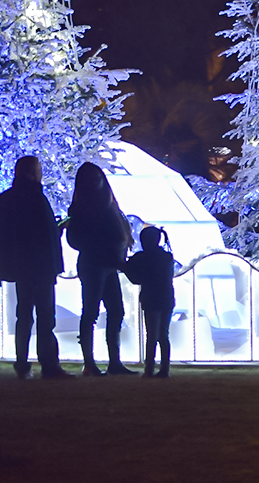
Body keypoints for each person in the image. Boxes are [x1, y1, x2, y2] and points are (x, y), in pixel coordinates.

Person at [0, 156, 71, 379]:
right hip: (41, 268)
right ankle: (49, 364)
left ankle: (22, 363)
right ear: (33, 173)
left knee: (24, 316)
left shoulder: (7, 199)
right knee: (45, 317)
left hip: (22, 268)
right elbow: (43, 235)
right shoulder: (36, 198)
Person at [65, 161, 136, 376]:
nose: (96, 183)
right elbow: (74, 239)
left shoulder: (108, 206)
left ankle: (113, 362)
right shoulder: (82, 209)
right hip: (95, 265)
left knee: (115, 310)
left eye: (98, 178)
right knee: (91, 312)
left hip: (109, 265)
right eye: (91, 180)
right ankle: (90, 363)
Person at [122, 226, 176, 377]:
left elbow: (134, 277)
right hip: (166, 298)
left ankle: (149, 369)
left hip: (151, 298)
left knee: (151, 335)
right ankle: (164, 369)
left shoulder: (141, 258)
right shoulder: (166, 257)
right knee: (163, 335)